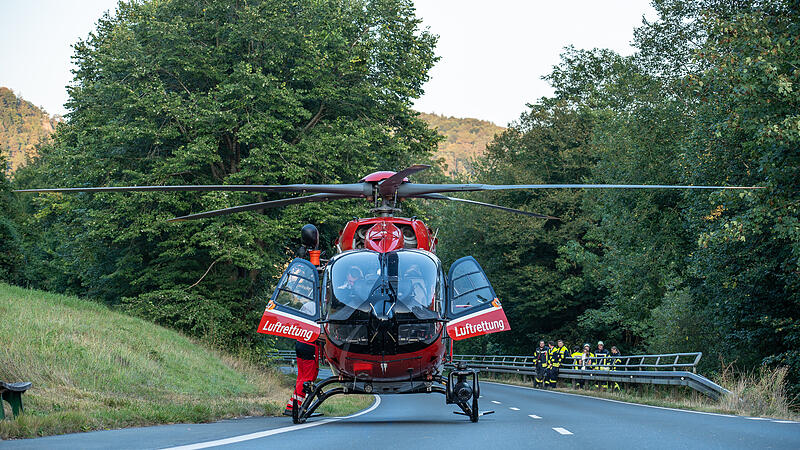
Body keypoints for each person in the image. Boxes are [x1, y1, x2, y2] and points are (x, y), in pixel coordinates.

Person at [284, 301, 320, 416]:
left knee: (301, 376)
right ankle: (298, 407)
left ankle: (292, 405)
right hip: (310, 344)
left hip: (300, 342)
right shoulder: (320, 308)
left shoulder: (307, 305)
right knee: (308, 378)